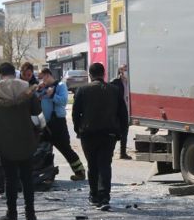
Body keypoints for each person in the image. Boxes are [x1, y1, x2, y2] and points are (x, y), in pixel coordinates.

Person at [0, 63, 43, 220]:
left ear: (0, 73)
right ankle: (30, 215)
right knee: (27, 178)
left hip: (5, 140)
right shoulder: (26, 87)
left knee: (10, 179)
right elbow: (36, 110)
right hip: (26, 139)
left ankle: (12, 215)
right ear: (14, 73)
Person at [71, 62, 127, 210]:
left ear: (90, 75)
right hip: (108, 134)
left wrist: (78, 130)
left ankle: (94, 195)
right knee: (105, 165)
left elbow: (75, 114)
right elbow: (123, 114)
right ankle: (104, 197)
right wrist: (120, 133)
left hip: (88, 134)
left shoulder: (82, 90)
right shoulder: (114, 90)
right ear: (104, 74)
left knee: (92, 165)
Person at [37, 68, 84, 180]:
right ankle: (47, 173)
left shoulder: (60, 86)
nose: (41, 80)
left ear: (48, 75)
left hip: (58, 123)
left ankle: (80, 171)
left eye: (42, 77)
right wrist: (38, 90)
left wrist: (53, 95)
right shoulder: (43, 88)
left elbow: (63, 101)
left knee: (65, 148)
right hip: (45, 123)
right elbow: (36, 99)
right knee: (44, 149)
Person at [111, 65, 132, 159]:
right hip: (118, 110)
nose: (126, 71)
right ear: (120, 71)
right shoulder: (115, 82)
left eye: (127, 69)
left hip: (127, 110)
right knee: (115, 132)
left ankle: (122, 153)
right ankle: (110, 152)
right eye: (124, 69)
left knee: (125, 132)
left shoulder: (130, 82)